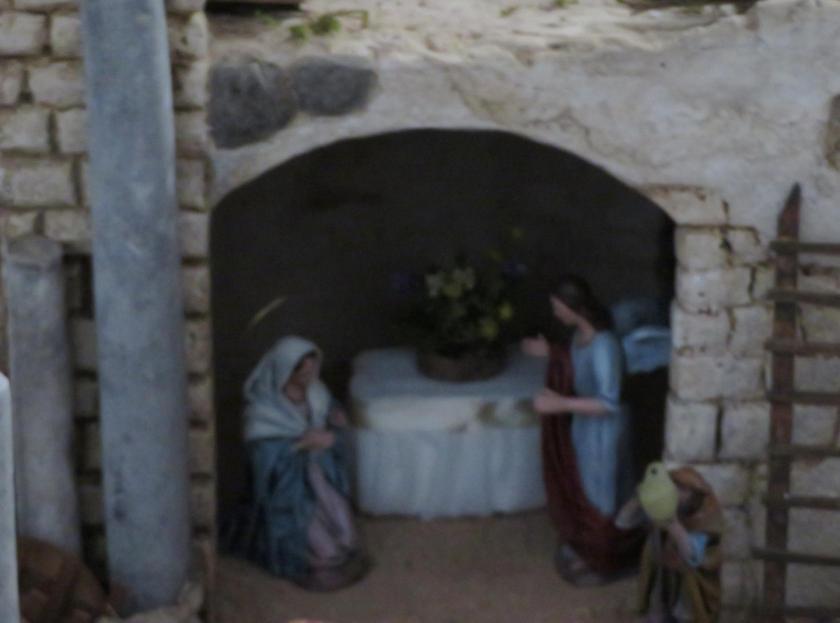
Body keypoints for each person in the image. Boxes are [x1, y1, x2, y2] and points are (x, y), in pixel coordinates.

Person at [521, 275, 643, 585]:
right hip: (586, 427)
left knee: (601, 494)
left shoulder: (605, 346)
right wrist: (551, 352)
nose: (555, 313)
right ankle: (590, 548)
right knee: (585, 487)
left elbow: (609, 402)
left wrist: (560, 404)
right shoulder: (579, 335)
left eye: (557, 307)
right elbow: (573, 363)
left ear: (573, 306)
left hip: (605, 433)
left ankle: (605, 557)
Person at [238, 335, 369, 591]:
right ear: (286, 369)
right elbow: (263, 459)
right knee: (323, 546)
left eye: (313, 366)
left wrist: (334, 428)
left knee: (346, 532)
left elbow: (332, 419)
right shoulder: (263, 412)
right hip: (289, 492)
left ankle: (341, 561)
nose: (310, 373)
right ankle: (315, 567)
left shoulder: (317, 394)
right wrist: (300, 445)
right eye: (303, 369)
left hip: (320, 476)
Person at [615, 463, 723, 623]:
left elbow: (693, 556)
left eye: (682, 490)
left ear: (695, 494)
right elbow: (623, 522)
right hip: (668, 581)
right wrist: (639, 498)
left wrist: (672, 524)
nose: (677, 494)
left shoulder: (706, 518)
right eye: (675, 487)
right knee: (653, 545)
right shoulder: (668, 506)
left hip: (693, 588)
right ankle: (659, 609)